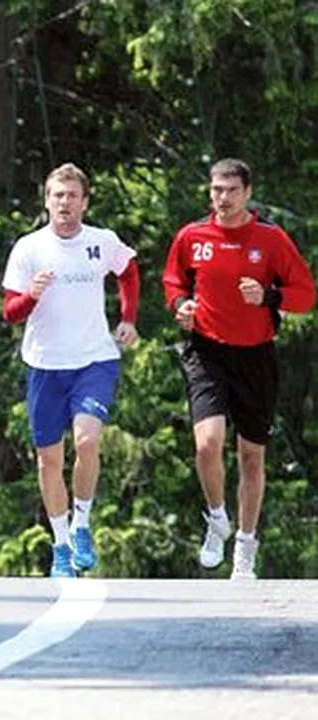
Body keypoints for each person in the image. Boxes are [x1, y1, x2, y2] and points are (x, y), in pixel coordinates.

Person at [162, 158, 315, 579]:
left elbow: (305, 295)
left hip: (256, 355)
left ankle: (245, 548)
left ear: (247, 192)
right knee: (207, 444)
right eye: (215, 190)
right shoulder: (193, 236)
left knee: (251, 457)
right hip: (207, 351)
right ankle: (216, 516)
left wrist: (267, 296)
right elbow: (173, 280)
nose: (222, 198)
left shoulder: (270, 239)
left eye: (230, 190)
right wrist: (181, 306)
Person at [1, 163, 141, 578]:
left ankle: (82, 525)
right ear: (46, 201)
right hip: (45, 364)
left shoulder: (101, 241)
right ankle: (60, 545)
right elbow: (10, 313)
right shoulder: (29, 249)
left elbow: (129, 271)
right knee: (48, 460)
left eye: (72, 196)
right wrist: (31, 296)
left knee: (86, 441)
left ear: (85, 201)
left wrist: (128, 318)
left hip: (94, 359)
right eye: (57, 196)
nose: (64, 203)